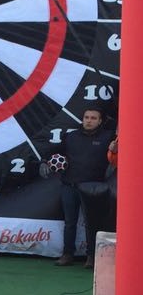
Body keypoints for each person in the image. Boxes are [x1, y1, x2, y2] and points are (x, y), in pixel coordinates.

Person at [40, 108, 116, 269]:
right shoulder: (71, 137)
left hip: (93, 189)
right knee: (70, 222)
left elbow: (119, 149)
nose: (89, 120)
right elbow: (52, 151)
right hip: (69, 186)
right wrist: (43, 162)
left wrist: (115, 148)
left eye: (93, 118)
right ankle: (67, 254)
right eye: (86, 117)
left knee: (92, 224)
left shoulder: (108, 137)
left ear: (100, 121)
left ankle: (92, 257)